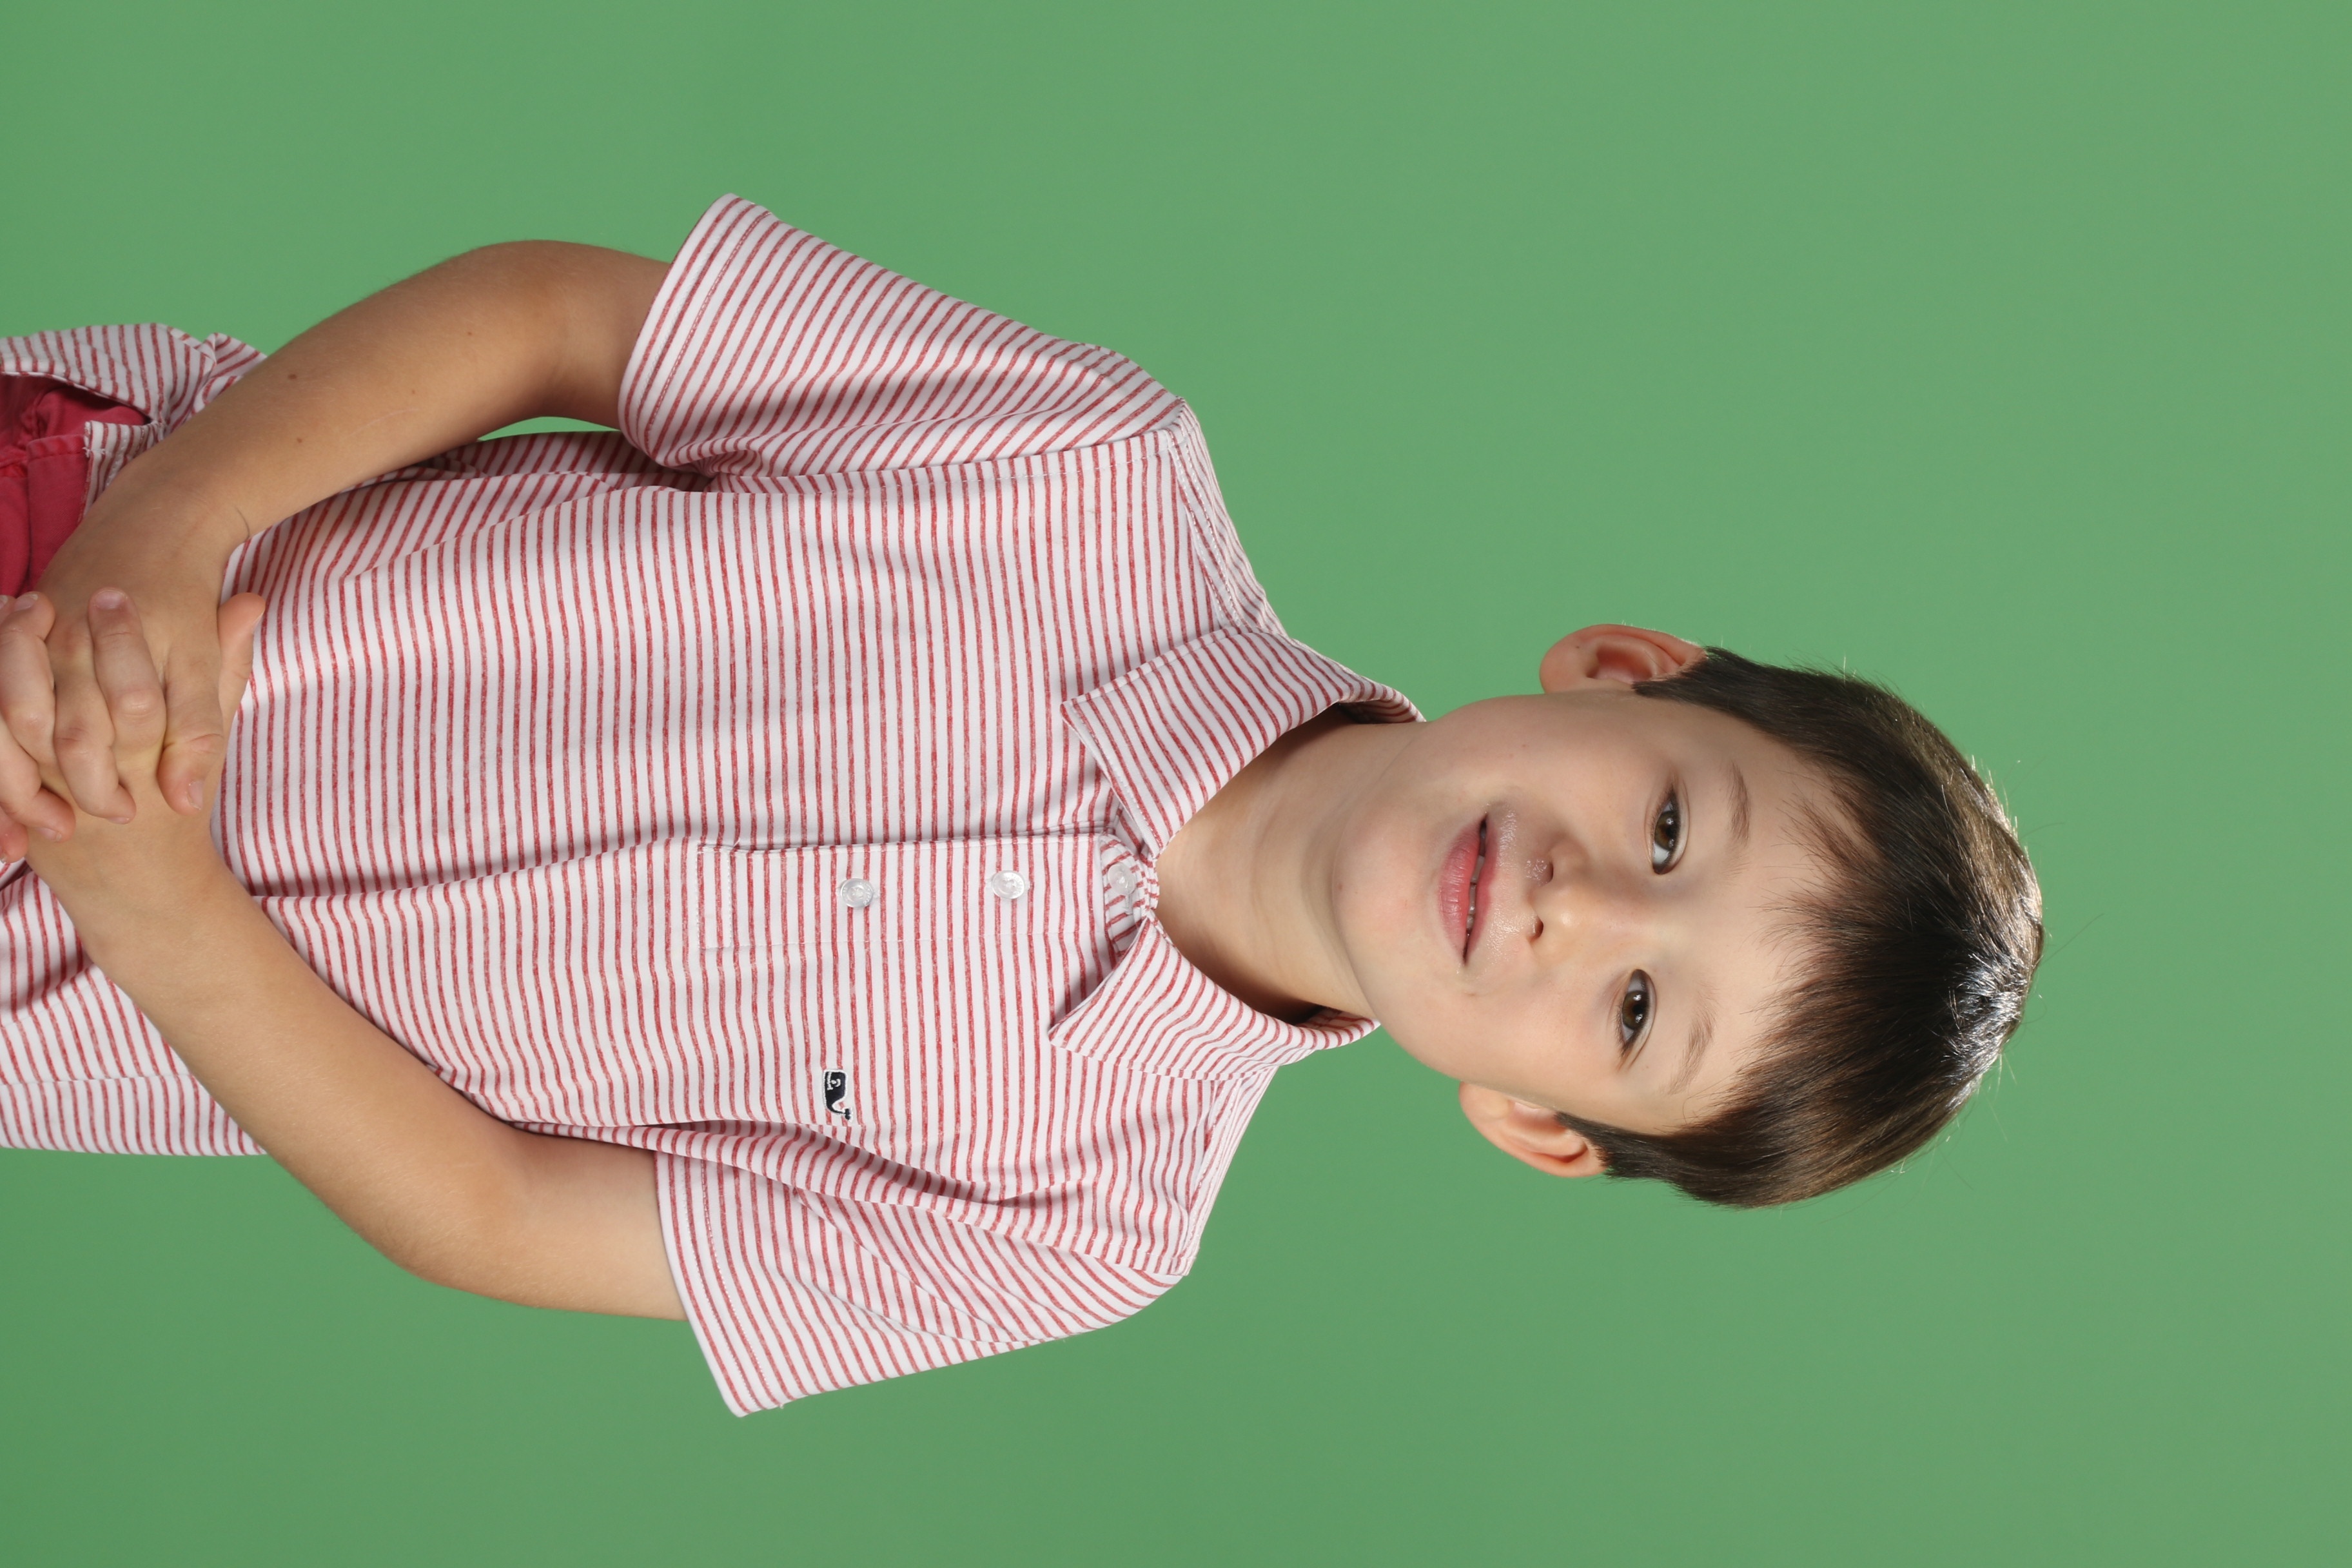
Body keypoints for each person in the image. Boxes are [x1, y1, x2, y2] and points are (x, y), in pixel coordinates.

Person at [0, 197, 2043, 1414]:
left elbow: (495, 1209)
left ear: (1538, 1125)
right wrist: (156, 544)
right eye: (1672, 828)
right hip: (85, 534)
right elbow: (561, 317)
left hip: (56, 972)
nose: (1578, 906)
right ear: (1620, 672)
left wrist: (148, 899)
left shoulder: (1079, 1225)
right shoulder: (1087, 465)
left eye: (1634, 1013)